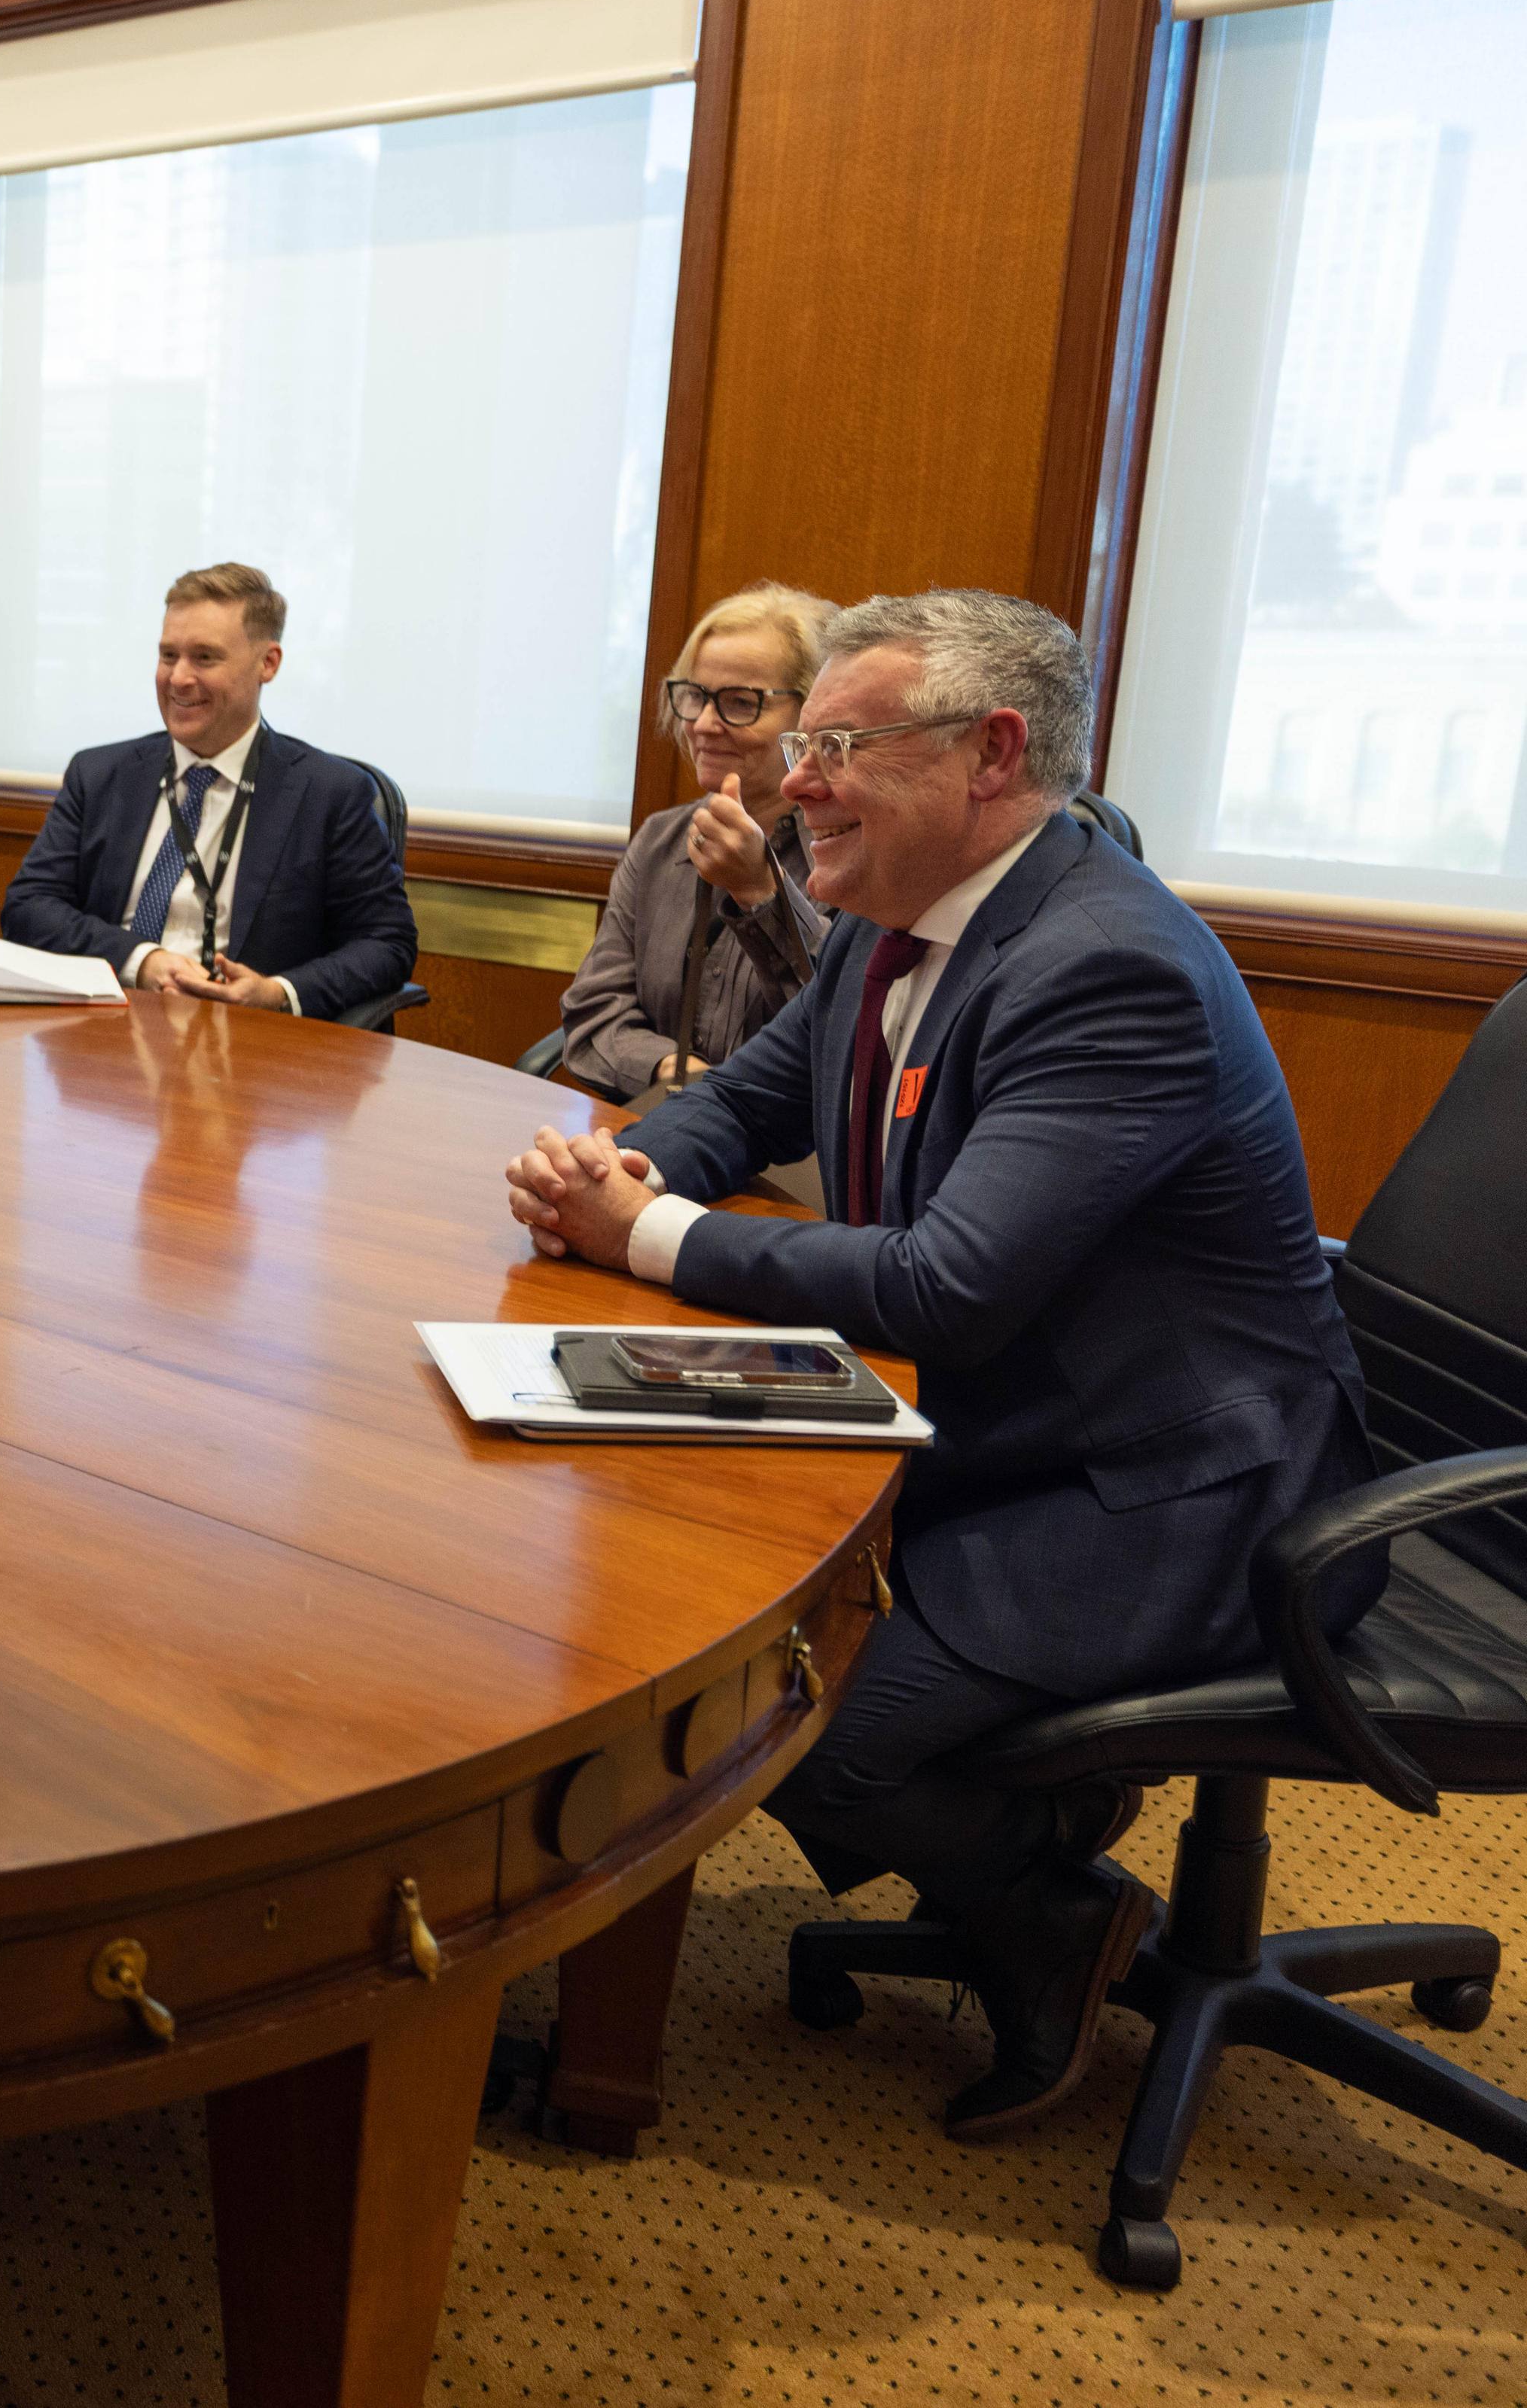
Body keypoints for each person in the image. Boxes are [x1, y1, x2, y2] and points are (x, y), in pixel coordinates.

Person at [499, 589, 1369, 2142]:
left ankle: (1054, 1906)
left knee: (770, 1703)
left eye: (840, 742)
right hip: (1009, 1423)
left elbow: (946, 1285)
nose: (794, 778)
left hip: (1173, 1486)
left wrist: (647, 1241)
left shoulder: (1109, 967)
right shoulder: (891, 922)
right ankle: (1021, 1800)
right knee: (698, 1596)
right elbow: (741, 1105)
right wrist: (608, 1166)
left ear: (993, 754)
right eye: (803, 738)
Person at [0, 562, 418, 1018]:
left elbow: (386, 943)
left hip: (252, 1053)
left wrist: (277, 992)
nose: (178, 678)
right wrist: (142, 960)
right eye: (168, 656)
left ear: (268, 663)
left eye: (204, 658)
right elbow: (28, 907)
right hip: (107, 1033)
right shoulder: (100, 775)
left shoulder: (329, 794)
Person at [557, 583, 840, 1100]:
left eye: (740, 702)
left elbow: (843, 1031)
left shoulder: (852, 851)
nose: (704, 725)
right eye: (694, 696)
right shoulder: (661, 840)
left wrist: (762, 892)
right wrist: (672, 1069)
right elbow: (595, 1009)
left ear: (812, 716)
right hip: (660, 1127)